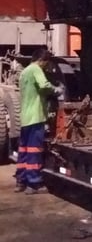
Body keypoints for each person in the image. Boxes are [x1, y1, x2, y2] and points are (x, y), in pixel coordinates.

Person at [15, 48, 62, 194]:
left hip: (25, 117)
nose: (46, 67)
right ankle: (34, 183)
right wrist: (57, 90)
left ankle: (21, 181)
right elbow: (44, 85)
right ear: (42, 60)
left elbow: (34, 90)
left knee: (24, 150)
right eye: (46, 64)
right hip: (36, 117)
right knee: (34, 151)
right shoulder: (36, 69)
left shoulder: (24, 72)